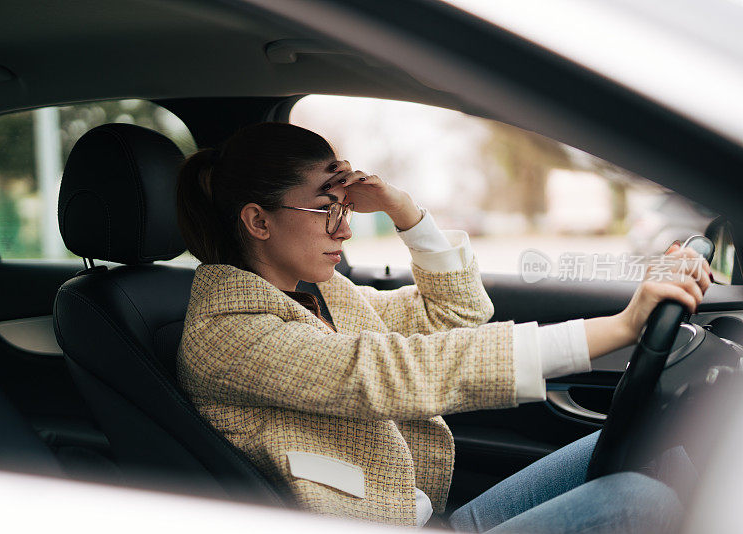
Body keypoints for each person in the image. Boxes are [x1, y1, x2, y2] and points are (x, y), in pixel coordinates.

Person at [174, 122, 709, 532]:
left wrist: (406, 213)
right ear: (259, 221)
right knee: (641, 502)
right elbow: (394, 373)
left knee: (660, 443)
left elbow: (456, 317)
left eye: (347, 208)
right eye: (325, 210)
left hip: (424, 517)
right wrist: (620, 327)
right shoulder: (228, 330)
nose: (345, 228)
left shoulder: (322, 295)